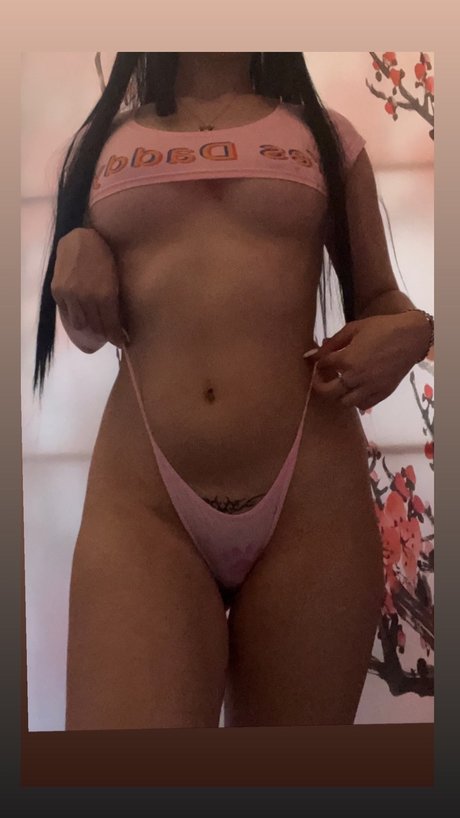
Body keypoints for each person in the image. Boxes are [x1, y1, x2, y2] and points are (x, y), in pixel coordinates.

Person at [33, 52, 434, 729]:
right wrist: (73, 255)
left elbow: (380, 300)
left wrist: (416, 330)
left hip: (311, 503)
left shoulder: (328, 137)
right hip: (145, 504)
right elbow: (88, 335)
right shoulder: (101, 145)